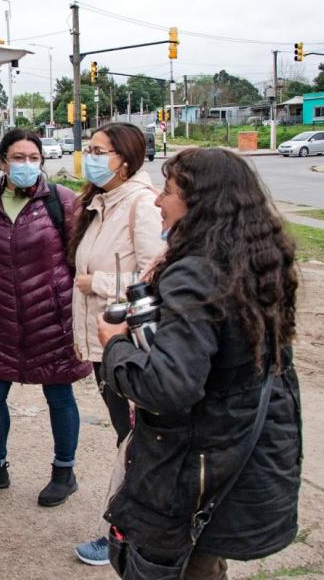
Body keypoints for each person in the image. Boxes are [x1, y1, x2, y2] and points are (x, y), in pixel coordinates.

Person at [96, 147, 302, 579]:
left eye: (167, 192)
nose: (156, 201)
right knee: (204, 560)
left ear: (199, 203)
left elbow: (169, 386)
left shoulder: (198, 272)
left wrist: (115, 345)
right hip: (232, 456)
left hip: (193, 465)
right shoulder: (252, 261)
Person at [0, 128, 92, 508]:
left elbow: (82, 258)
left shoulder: (61, 201)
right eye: (18, 158)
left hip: (53, 318)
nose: (27, 165)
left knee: (59, 394)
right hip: (7, 320)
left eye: (34, 158)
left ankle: (65, 472)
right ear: (2, 161)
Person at [69, 123, 165, 566]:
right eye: (88, 148)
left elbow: (156, 278)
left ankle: (121, 534)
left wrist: (99, 283)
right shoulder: (102, 203)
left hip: (127, 345)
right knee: (128, 440)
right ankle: (132, 529)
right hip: (103, 346)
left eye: (98, 150)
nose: (88, 156)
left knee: (134, 444)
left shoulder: (140, 206)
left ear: (123, 160)